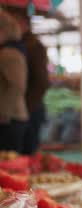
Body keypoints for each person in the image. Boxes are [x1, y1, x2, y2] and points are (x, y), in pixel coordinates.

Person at [6, 7, 49, 155]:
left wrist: (26, 107)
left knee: (25, 154)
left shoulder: (33, 47)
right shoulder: (12, 46)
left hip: (28, 109)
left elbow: (41, 82)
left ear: (24, 23)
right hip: (17, 110)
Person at [0, 9, 28, 152]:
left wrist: (4, 114)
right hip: (10, 116)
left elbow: (17, 85)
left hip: (11, 118)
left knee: (8, 163)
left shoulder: (9, 53)